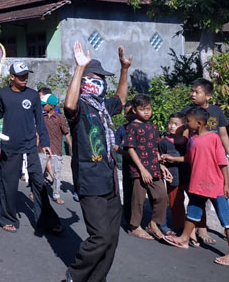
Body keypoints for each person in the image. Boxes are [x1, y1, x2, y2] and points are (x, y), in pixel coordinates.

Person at [63, 42, 131, 282]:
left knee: (111, 239)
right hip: (90, 182)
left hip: (110, 181)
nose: (102, 80)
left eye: (103, 77)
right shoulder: (81, 106)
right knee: (100, 236)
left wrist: (124, 69)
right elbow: (68, 106)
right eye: (99, 76)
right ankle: (75, 274)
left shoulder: (102, 108)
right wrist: (79, 69)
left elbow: (120, 100)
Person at [0, 62, 63, 234]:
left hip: (31, 146)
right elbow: (0, 113)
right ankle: (6, 218)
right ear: (12, 77)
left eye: (26, 75)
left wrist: (45, 144)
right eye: (21, 76)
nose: (25, 79)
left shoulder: (33, 95)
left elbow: (39, 121)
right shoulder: (3, 93)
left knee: (39, 184)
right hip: (11, 146)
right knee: (8, 185)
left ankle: (47, 221)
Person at [163, 107, 229, 266]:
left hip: (215, 186)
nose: (186, 123)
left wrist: (226, 184)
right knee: (193, 212)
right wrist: (171, 158)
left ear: (199, 123)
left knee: (226, 219)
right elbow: (189, 158)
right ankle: (184, 239)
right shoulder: (192, 139)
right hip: (198, 185)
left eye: (188, 121)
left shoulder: (213, 138)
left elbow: (222, 163)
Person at [181, 78, 229, 247]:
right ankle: (201, 229)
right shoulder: (187, 111)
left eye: (197, 92)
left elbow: (224, 135)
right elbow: (185, 135)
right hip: (200, 161)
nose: (193, 94)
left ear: (208, 95)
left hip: (218, 159)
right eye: (192, 91)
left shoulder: (216, 111)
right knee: (199, 195)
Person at [122, 94, 170, 240]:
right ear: (135, 110)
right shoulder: (132, 127)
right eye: (143, 109)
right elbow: (130, 149)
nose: (147, 112)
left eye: (149, 109)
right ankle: (134, 226)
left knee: (162, 196)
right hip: (138, 171)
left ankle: (154, 223)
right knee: (138, 200)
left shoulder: (152, 127)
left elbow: (154, 148)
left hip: (154, 168)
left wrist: (161, 165)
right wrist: (142, 170)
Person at [159, 112, 190, 235]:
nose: (171, 126)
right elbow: (159, 158)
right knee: (176, 203)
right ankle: (180, 226)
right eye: (170, 123)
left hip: (188, 176)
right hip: (173, 177)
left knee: (194, 201)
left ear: (183, 127)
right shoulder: (163, 142)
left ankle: (195, 228)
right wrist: (161, 165)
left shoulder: (188, 142)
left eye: (176, 124)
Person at [38, 93, 72, 204]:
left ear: (51, 106)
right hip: (42, 149)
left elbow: (66, 133)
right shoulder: (42, 118)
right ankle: (35, 193)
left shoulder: (60, 118)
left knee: (57, 174)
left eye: (45, 104)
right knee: (39, 174)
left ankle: (56, 194)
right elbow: (38, 133)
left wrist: (72, 148)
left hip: (56, 150)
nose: (43, 107)